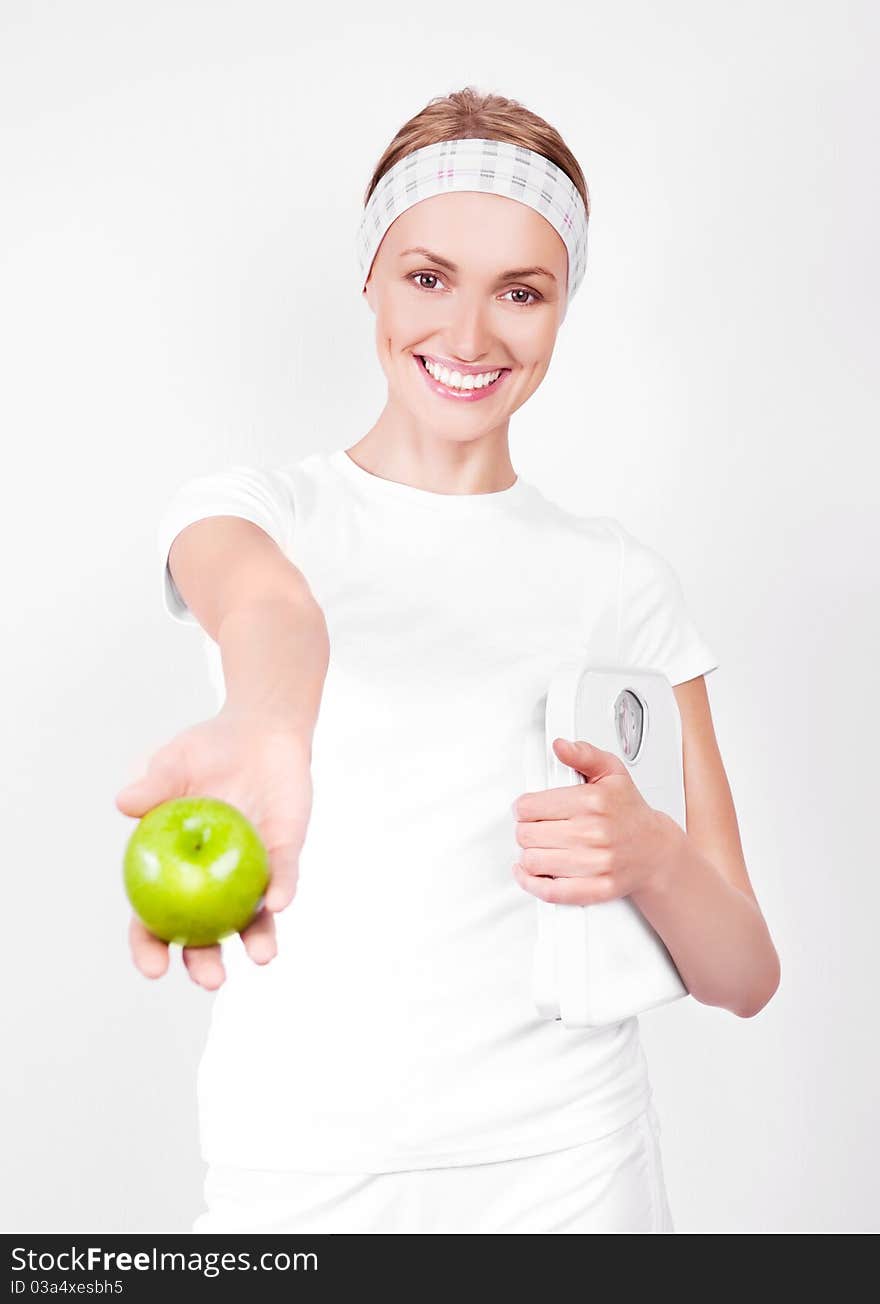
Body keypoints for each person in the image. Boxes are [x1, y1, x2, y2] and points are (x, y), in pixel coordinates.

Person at [115, 86, 780, 1234]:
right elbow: (273, 609)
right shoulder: (260, 511)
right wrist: (272, 726)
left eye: (520, 292)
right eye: (428, 277)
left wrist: (651, 855)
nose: (469, 338)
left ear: (562, 307)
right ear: (368, 275)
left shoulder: (621, 582)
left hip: (571, 1163)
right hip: (300, 1164)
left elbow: (743, 973)